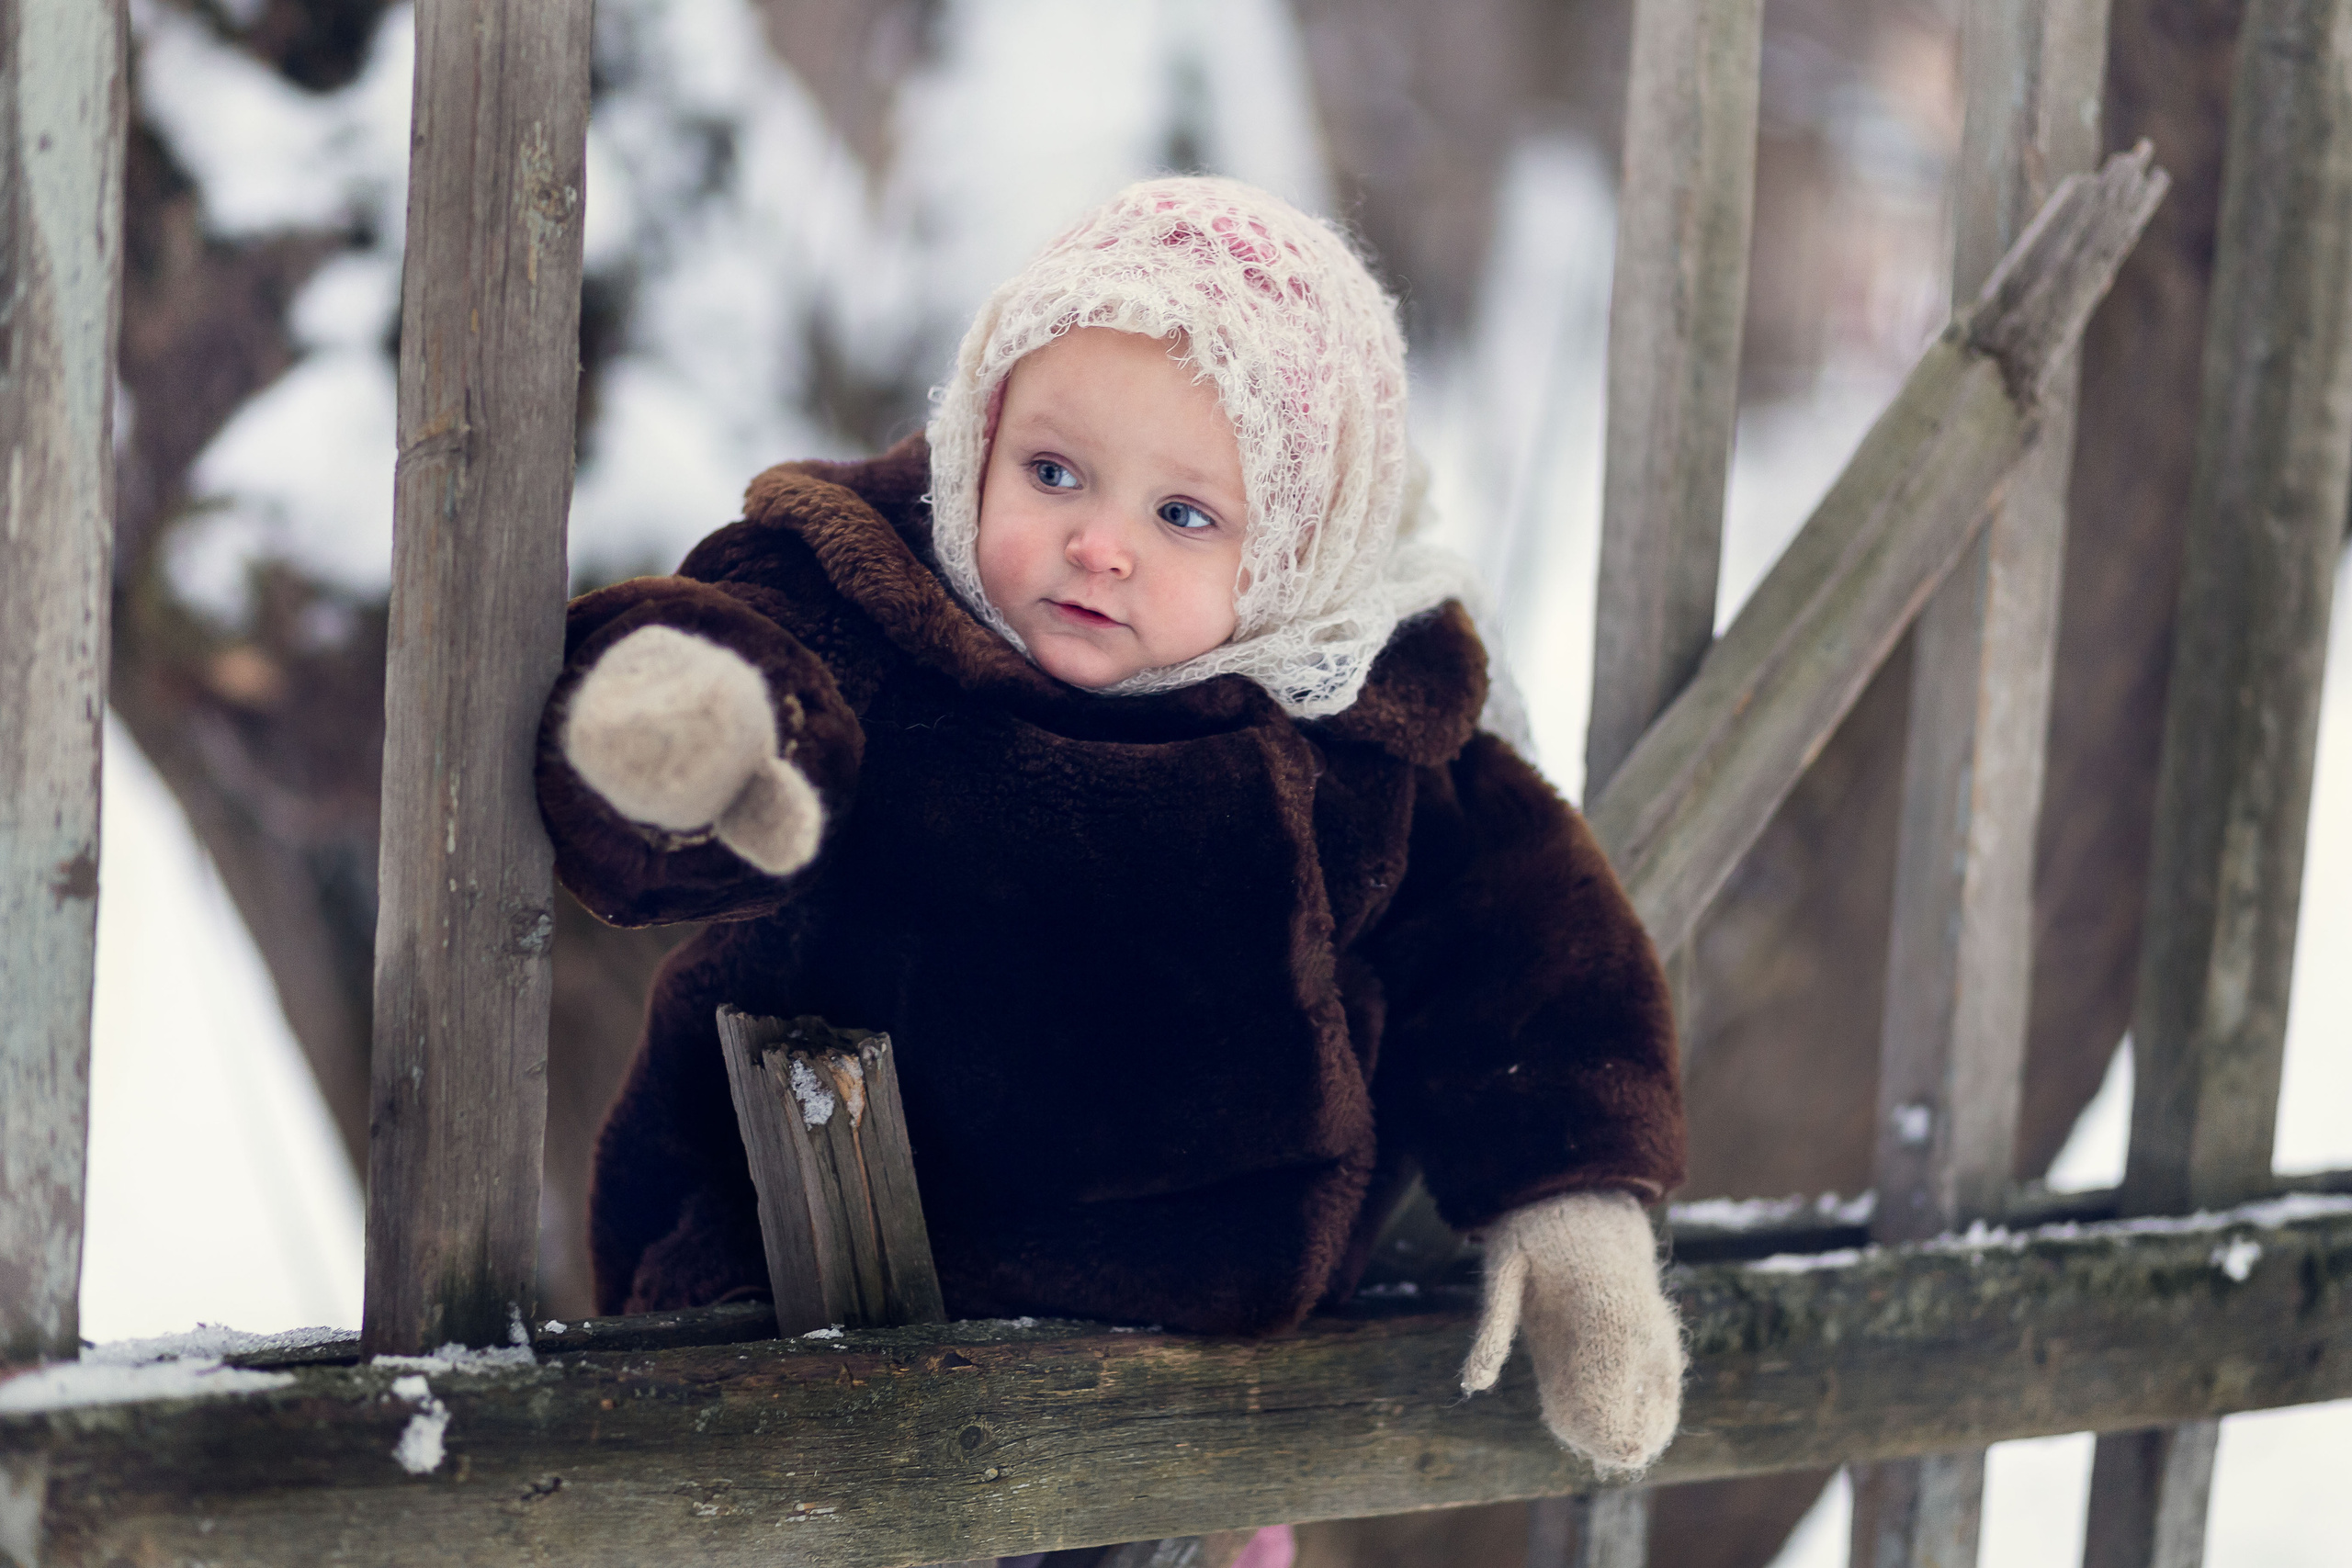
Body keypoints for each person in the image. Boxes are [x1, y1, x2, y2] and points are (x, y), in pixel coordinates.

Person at [537, 175, 1688, 1475]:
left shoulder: (1364, 732)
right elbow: (744, 657)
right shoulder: (871, 611)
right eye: (1053, 472)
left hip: (1192, 1406)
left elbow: (1530, 962)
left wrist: (1574, 1207)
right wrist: (691, 728)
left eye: (1182, 515)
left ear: (1296, 555)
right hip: (798, 1323)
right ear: (977, 438)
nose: (1097, 545)